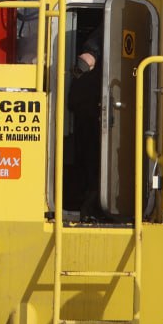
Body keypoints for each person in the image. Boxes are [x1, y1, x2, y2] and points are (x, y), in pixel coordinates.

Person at [65, 30, 104, 220]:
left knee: (94, 161)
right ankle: (89, 206)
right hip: (87, 111)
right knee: (89, 160)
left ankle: (91, 206)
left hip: (94, 111)